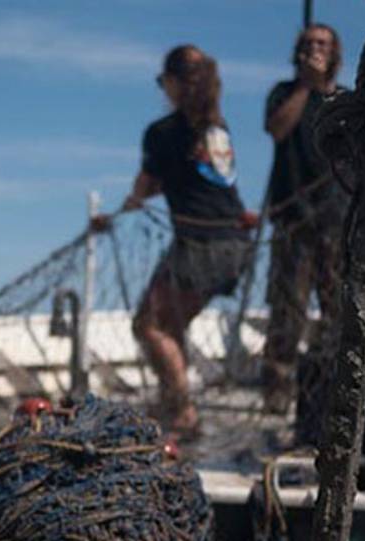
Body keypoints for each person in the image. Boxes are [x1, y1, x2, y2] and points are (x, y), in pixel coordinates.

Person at [95, 44, 256, 437]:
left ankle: (182, 412)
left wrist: (118, 211)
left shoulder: (162, 133)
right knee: (173, 324)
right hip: (235, 243)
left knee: (149, 325)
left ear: (171, 82)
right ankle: (175, 402)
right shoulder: (218, 128)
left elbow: (146, 187)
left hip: (198, 244)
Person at [260, 24, 349, 416]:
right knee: (287, 311)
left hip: (335, 219)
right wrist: (304, 86)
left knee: (337, 310)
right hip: (292, 218)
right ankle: (277, 396)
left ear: (334, 53)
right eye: (309, 44)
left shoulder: (345, 100)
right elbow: (278, 130)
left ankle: (328, 392)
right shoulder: (283, 93)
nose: (315, 49)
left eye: (323, 44)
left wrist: (325, 90)